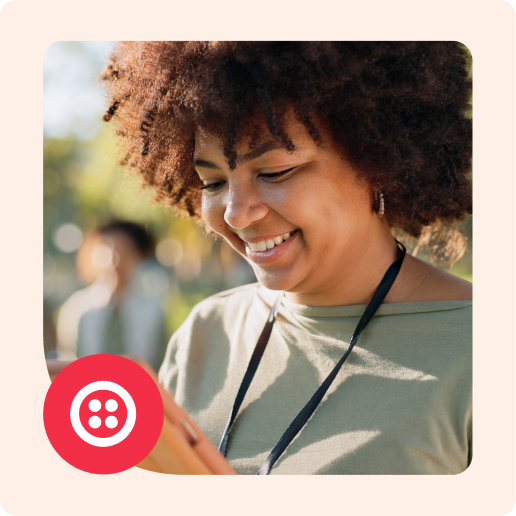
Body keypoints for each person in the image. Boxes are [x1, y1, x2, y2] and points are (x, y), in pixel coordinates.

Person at [102, 42, 472, 475]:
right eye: (213, 182)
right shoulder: (206, 333)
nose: (235, 213)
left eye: (274, 172)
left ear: (379, 162)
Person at [56, 220, 168, 372]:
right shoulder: (77, 308)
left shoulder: (153, 311)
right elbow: (69, 363)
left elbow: (158, 365)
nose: (115, 260)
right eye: (108, 250)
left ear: (137, 256)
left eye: (124, 250)